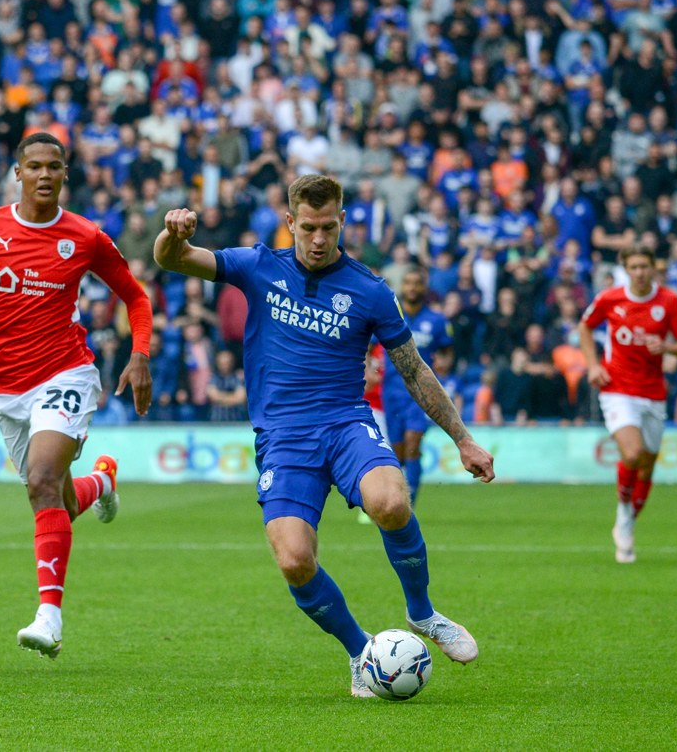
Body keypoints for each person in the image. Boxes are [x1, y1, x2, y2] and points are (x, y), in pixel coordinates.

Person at [153, 174, 494, 697]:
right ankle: (362, 654)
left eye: (328, 227)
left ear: (342, 222)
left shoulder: (370, 290)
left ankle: (423, 613)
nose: (318, 239)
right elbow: (172, 261)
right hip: (283, 438)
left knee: (391, 502)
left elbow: (414, 369)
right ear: (290, 222)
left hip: (345, 423)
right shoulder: (258, 265)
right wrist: (173, 234)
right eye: (308, 227)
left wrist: (463, 438)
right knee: (293, 559)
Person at [0, 133, 153, 658]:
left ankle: (49, 617)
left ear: (65, 174)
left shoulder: (85, 236)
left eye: (55, 166)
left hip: (66, 373)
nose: (45, 175)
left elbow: (135, 297)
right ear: (17, 173)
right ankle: (100, 483)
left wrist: (139, 353)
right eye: (35, 167)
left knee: (42, 482)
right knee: (59, 502)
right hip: (5, 388)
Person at [577, 246, 677, 565]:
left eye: (646, 266)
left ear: (654, 267)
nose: (641, 272)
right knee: (632, 453)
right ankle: (624, 514)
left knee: (648, 465)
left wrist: (667, 346)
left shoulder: (668, 301)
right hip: (617, 388)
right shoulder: (609, 298)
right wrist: (592, 365)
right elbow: (585, 326)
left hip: (653, 391)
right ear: (625, 269)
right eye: (635, 267)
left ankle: (626, 519)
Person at [381, 266, 453, 506]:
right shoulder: (389, 315)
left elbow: (447, 350)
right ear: (403, 287)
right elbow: (369, 347)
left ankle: (409, 500)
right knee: (398, 450)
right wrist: (369, 367)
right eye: (408, 283)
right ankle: (395, 494)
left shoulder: (437, 319)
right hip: (391, 391)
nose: (412, 288)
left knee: (414, 443)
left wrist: (443, 364)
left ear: (424, 287)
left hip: (421, 392)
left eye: (417, 283)